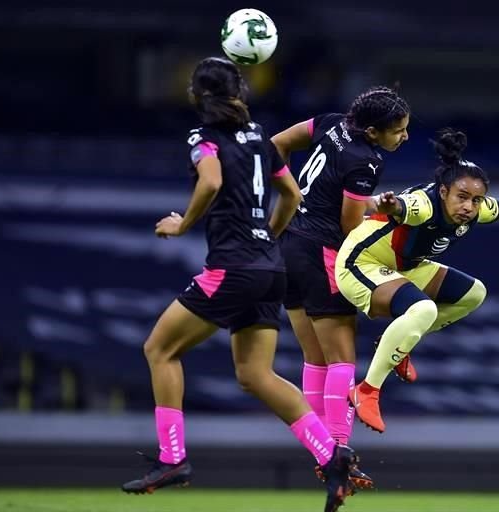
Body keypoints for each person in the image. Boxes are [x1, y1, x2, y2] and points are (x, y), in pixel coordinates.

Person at [120, 57, 360, 512]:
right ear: (240, 93)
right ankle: (332, 456)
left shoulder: (203, 138)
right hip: (270, 268)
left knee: (159, 350)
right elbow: (291, 194)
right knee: (255, 375)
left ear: (197, 96)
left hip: (231, 269)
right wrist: (269, 234)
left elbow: (209, 182)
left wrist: (183, 223)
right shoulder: (259, 139)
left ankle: (173, 459)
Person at [336, 128, 499, 433]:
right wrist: (385, 205)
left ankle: (398, 343)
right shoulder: (424, 205)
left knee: (474, 293)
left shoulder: (477, 209)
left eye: (476, 200)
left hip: (403, 266)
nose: (469, 207)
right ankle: (367, 390)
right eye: (462, 197)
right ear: (444, 191)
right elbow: (394, 205)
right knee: (424, 311)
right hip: (360, 263)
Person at [270, 87, 410, 486]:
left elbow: (277, 144)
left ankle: (323, 452)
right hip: (322, 255)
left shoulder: (331, 124)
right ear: (372, 131)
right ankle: (339, 451)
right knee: (341, 359)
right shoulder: (364, 162)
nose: (404, 137)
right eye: (398, 130)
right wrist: (386, 224)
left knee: (315, 358)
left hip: (289, 246)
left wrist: (288, 198)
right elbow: (350, 226)